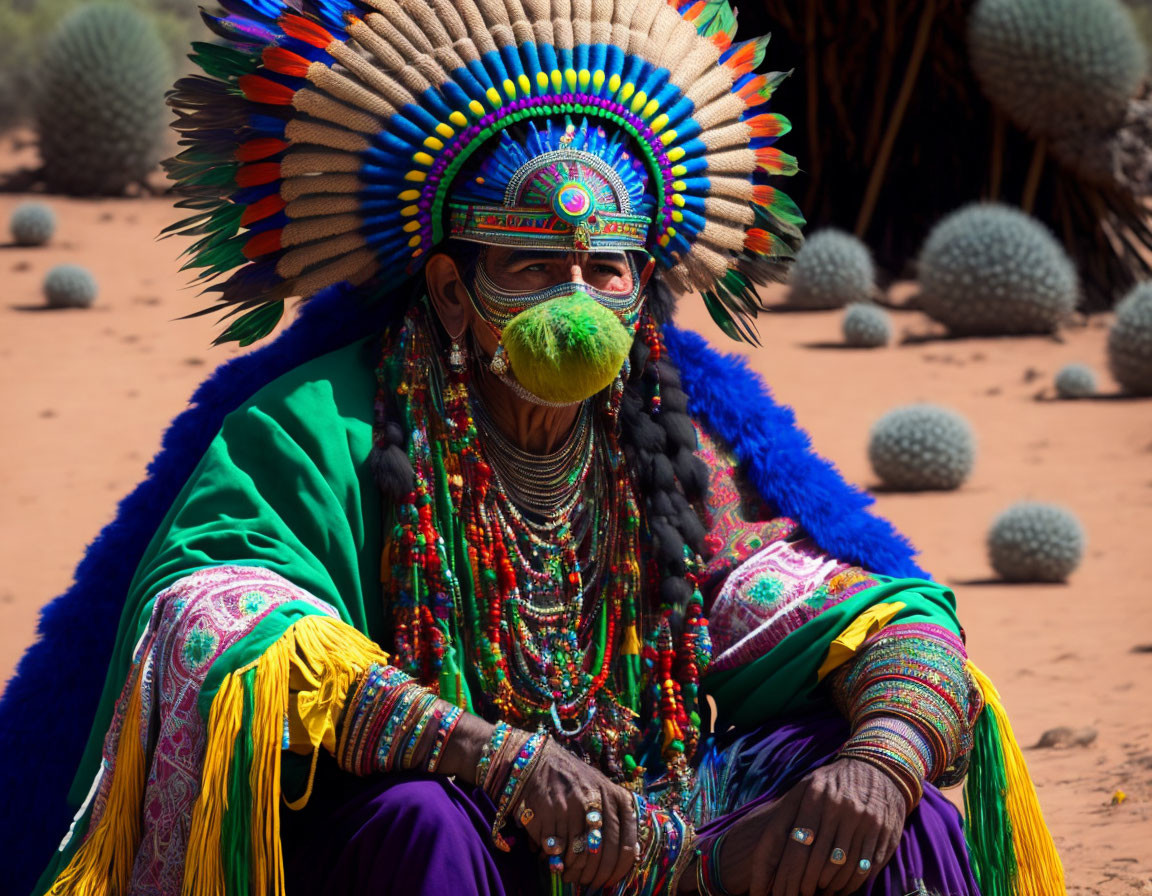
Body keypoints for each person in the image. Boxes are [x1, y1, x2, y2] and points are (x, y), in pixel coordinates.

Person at [1, 0, 1063, 894]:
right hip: (449, 830)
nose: (579, 302)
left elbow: (848, 612)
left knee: (883, 796)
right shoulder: (318, 424)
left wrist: (880, 754)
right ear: (454, 291)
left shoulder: (666, 442)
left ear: (646, 288)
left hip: (654, 811)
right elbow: (212, 615)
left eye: (608, 269)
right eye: (533, 266)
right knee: (422, 819)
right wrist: (488, 754)